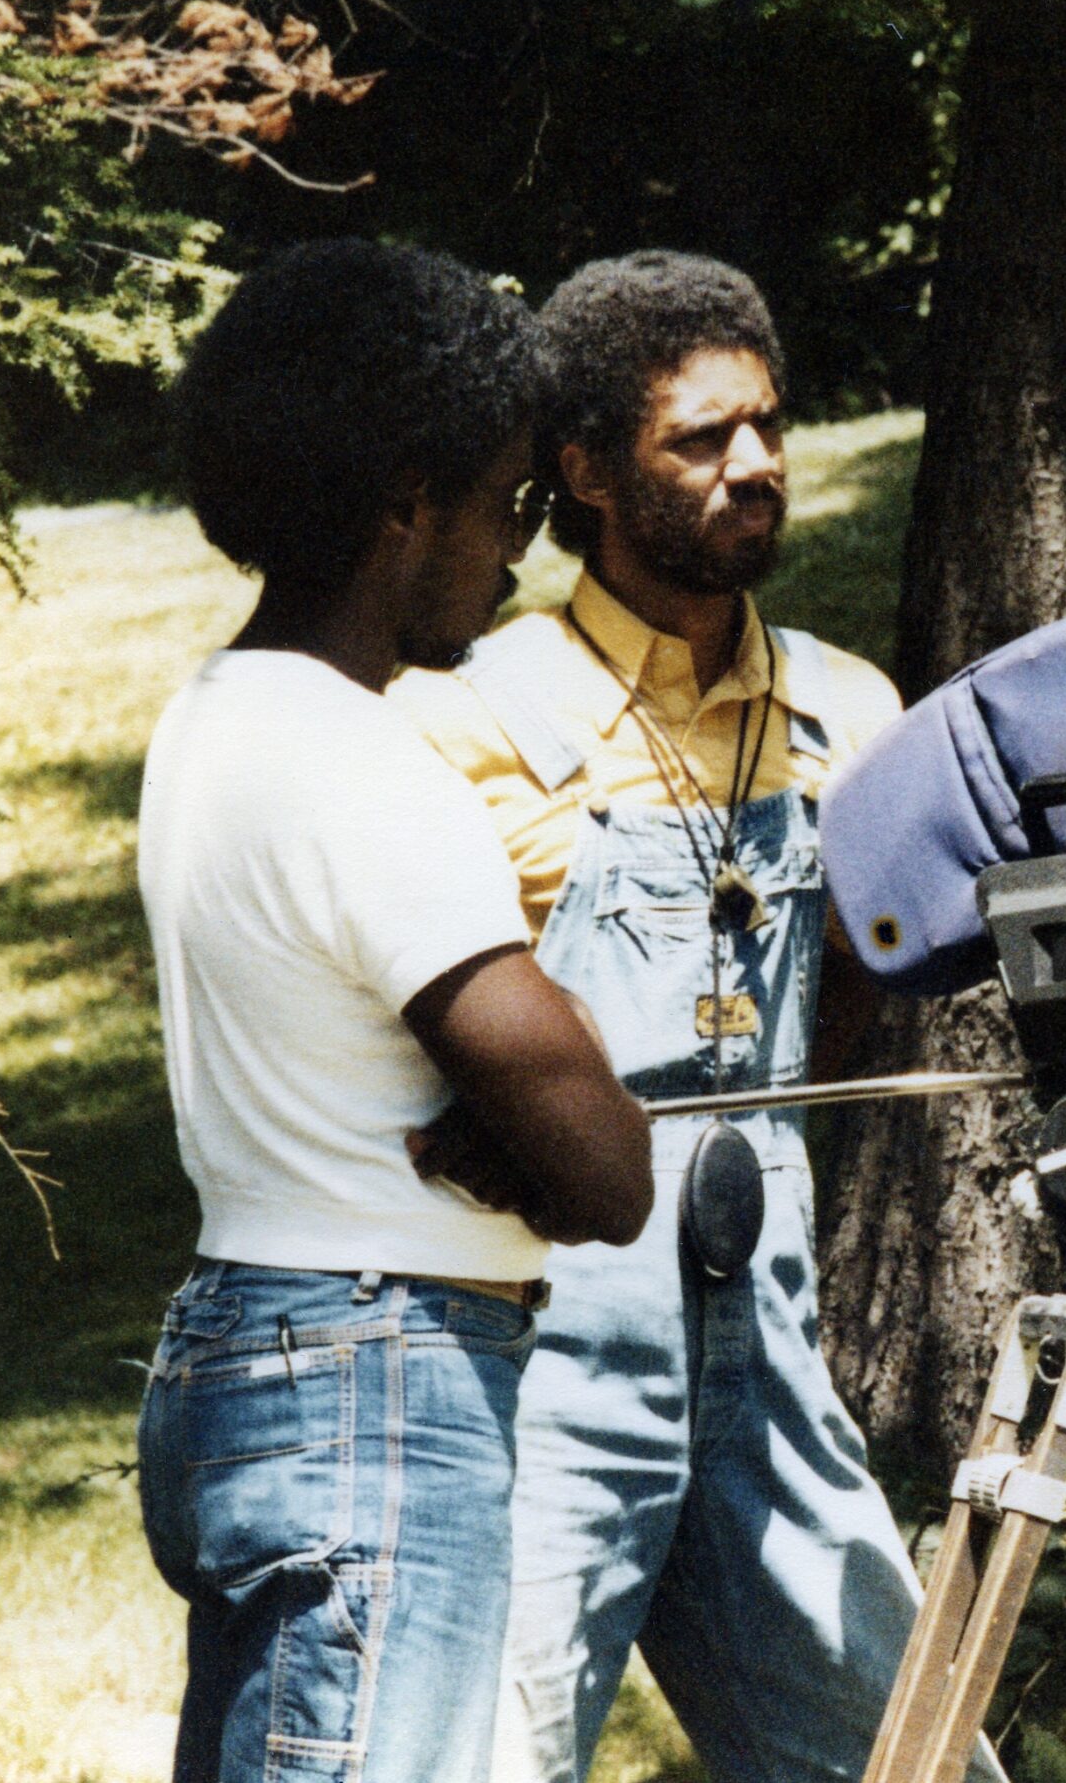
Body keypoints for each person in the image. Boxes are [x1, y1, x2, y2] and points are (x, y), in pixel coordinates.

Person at [390, 250, 995, 1783]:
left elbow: (849, 990)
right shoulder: (470, 710)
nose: (758, 468)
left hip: (771, 1354)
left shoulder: (851, 716)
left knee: (910, 1759)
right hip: (538, 1361)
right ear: (586, 470)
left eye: (770, 429)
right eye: (702, 441)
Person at [134, 240, 657, 1783]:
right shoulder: (372, 767)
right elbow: (611, 1176)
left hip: (238, 1347)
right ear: (404, 505)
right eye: (505, 503)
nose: (515, 555)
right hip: (377, 1380)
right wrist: (547, 1135)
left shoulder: (208, 721)